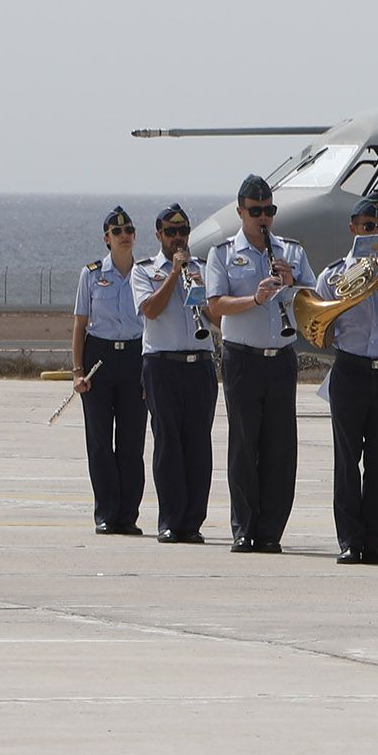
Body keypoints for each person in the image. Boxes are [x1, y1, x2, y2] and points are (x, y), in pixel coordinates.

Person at [204, 175, 314, 554]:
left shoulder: (292, 252)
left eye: (269, 211)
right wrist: (254, 298)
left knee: (280, 447)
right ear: (241, 212)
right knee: (244, 443)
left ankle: (271, 530)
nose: (263, 218)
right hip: (243, 358)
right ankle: (244, 527)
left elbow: (312, 302)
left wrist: (292, 281)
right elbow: (215, 305)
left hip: (280, 357)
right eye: (256, 212)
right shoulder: (222, 253)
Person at [315, 195, 378, 565]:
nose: (374, 233)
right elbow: (321, 327)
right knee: (347, 458)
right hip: (351, 369)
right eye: (367, 227)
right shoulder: (336, 274)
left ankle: (375, 539)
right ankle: (349, 539)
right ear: (353, 229)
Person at [131, 204, 215, 544]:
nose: (178, 238)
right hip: (162, 364)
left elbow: (218, 320)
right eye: (171, 233)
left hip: (200, 363)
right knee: (168, 444)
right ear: (159, 235)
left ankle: (192, 522)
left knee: (198, 445)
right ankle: (170, 520)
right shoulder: (145, 270)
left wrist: (202, 292)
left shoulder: (205, 269)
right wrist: (172, 275)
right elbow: (149, 310)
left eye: (183, 232)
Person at [69, 207, 148, 536]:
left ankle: (127, 515)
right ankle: (106, 513)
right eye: (117, 232)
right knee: (100, 441)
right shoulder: (91, 274)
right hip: (99, 358)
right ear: (107, 239)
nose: (124, 235)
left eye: (129, 229)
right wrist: (77, 371)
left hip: (134, 356)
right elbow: (80, 325)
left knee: (132, 441)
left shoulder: (145, 274)